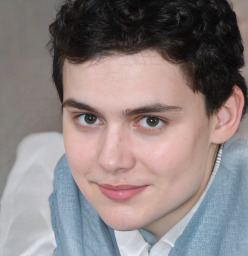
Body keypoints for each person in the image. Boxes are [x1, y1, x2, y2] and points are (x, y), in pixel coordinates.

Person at [48, 0, 248, 255]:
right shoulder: (67, 190)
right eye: (89, 118)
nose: (110, 161)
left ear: (223, 116)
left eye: (150, 121)